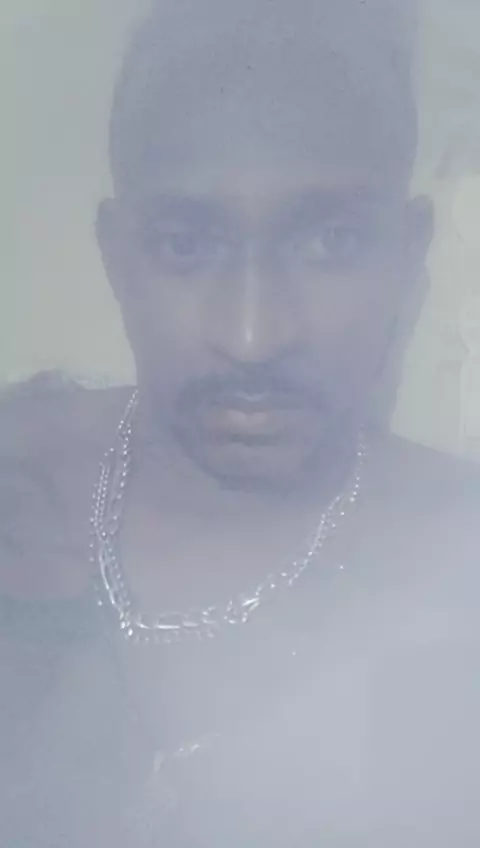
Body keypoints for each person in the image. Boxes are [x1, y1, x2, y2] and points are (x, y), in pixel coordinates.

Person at [1, 0, 479, 844]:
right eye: (186, 244)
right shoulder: (20, 480)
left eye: (330, 242)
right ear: (117, 255)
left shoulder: (459, 564)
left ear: (408, 252)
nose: (252, 336)